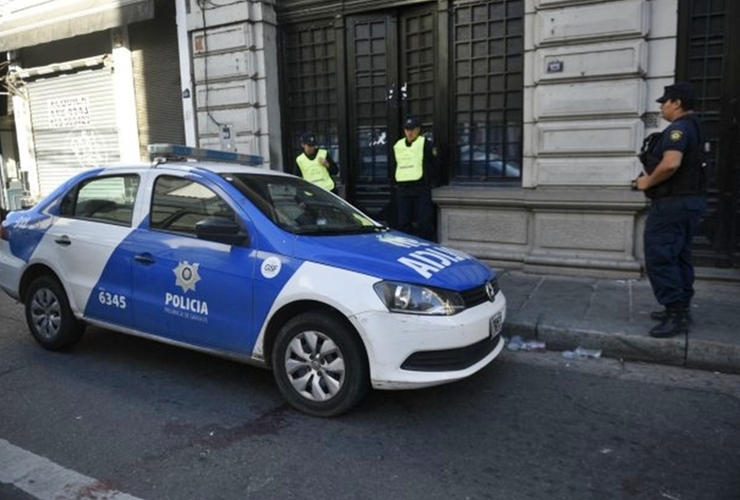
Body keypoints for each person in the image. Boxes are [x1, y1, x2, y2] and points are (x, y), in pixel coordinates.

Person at [633, 81, 707, 338]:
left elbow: (671, 164)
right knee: (679, 255)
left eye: (665, 102)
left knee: (661, 256)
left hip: (672, 204)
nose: (662, 107)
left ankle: (674, 313)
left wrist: (645, 182)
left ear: (676, 103)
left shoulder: (678, 129)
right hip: (688, 203)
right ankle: (681, 307)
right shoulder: (696, 126)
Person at [391, 116, 440, 241]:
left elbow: (435, 164)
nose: (409, 132)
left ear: (418, 129)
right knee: (403, 222)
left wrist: (431, 180)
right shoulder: (399, 145)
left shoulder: (426, 144)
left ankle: (426, 245)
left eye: (412, 129)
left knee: (424, 222)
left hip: (421, 187)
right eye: (407, 129)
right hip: (403, 188)